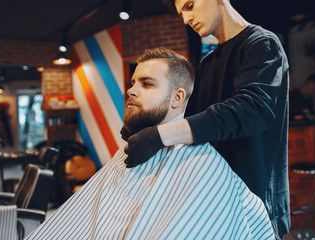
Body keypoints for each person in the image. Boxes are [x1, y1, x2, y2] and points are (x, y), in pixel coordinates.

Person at [26, 48, 275, 239]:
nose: (131, 91)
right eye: (132, 83)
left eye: (146, 84)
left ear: (177, 97)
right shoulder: (132, 151)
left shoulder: (200, 165)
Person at [121, 0, 290, 239]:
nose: (186, 19)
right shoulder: (208, 64)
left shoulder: (262, 44)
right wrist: (143, 124)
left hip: (255, 200)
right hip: (218, 200)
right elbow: (186, 116)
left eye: (189, 6)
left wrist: (159, 136)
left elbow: (250, 110)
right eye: (181, 13)